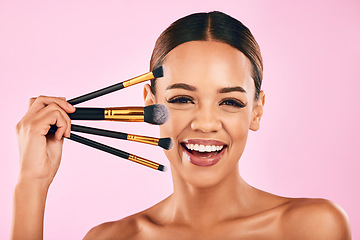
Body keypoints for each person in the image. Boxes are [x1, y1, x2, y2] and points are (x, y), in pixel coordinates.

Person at [12, 11, 351, 239]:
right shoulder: (111, 238)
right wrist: (31, 184)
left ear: (257, 111)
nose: (204, 123)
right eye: (181, 99)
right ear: (149, 103)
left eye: (230, 102)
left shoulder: (311, 226)